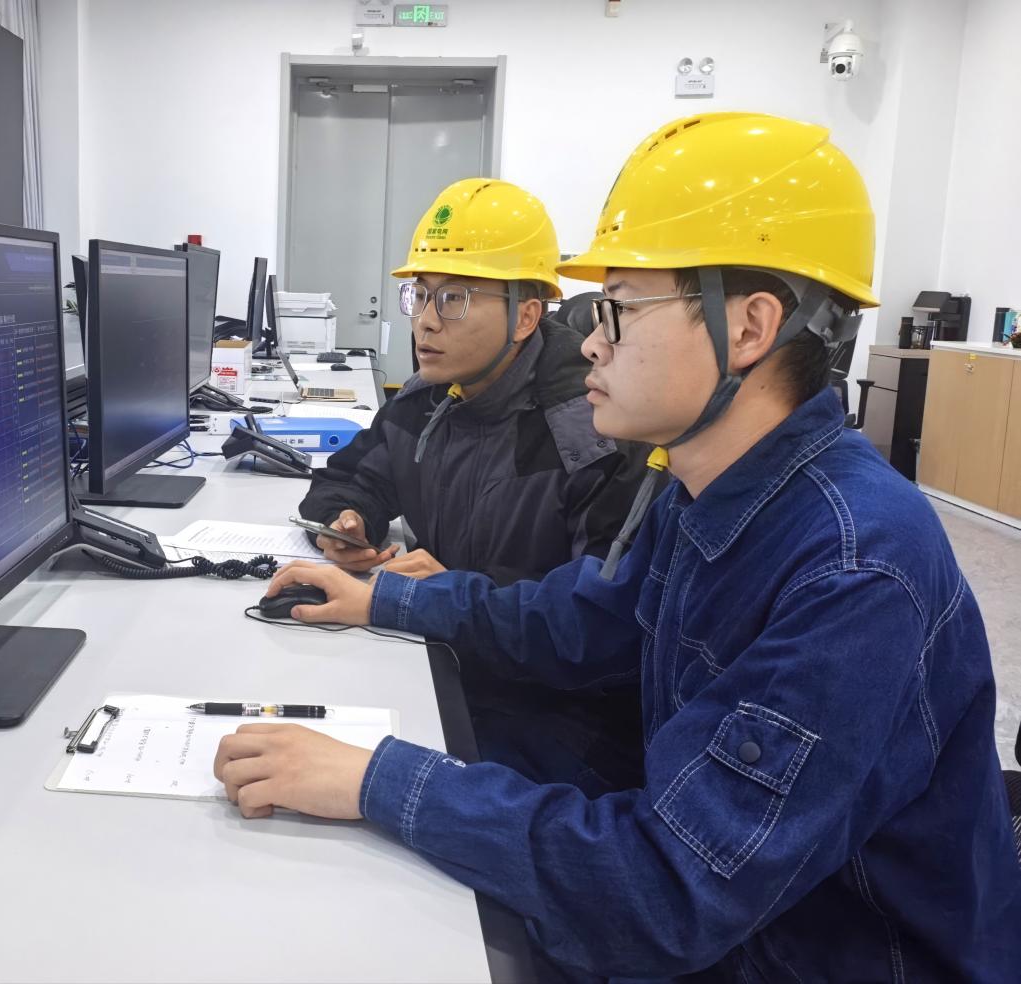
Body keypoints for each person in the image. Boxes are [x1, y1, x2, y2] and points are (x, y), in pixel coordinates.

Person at [214, 112, 1021, 980]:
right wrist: (385, 597)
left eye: (620, 309)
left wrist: (380, 783)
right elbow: (578, 620)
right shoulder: (706, 487)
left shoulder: (854, 569)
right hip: (735, 907)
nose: (592, 341)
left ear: (749, 329)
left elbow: (669, 893)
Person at [298, 177, 654, 793]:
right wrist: (350, 519)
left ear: (526, 317)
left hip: (557, 717)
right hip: (451, 656)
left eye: (455, 300)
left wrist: (450, 592)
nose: (425, 323)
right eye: (421, 296)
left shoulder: (592, 426)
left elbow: (599, 620)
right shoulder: (427, 399)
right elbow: (353, 476)